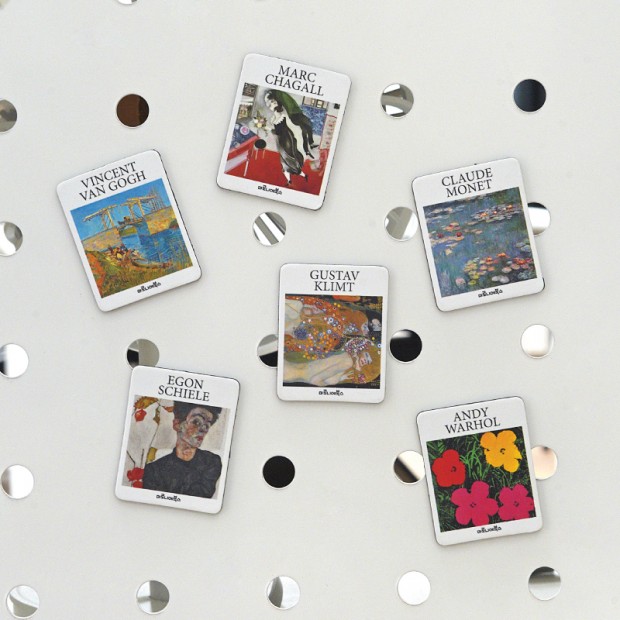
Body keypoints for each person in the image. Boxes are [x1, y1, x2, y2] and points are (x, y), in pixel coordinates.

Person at [142, 402, 222, 499]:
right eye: (196, 422)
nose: (203, 430)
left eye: (207, 426)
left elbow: (199, 499)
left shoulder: (211, 462)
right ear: (177, 424)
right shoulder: (154, 470)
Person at [264, 92, 308, 186]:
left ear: (277, 103)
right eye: (270, 104)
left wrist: (269, 129)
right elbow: (275, 130)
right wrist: (267, 127)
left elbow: (281, 130)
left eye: (273, 102)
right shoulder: (273, 117)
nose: (271, 105)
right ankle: (290, 180)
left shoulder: (282, 115)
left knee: (289, 158)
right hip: (280, 140)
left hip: (286, 139)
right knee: (284, 160)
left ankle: (301, 174)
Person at [265, 90, 318, 157]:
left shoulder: (279, 95)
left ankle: (307, 149)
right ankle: (310, 144)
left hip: (296, 114)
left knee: (304, 130)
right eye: (272, 102)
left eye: (273, 102)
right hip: (295, 115)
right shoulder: (278, 95)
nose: (273, 103)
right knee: (308, 125)